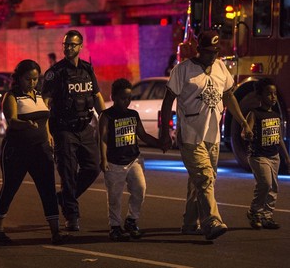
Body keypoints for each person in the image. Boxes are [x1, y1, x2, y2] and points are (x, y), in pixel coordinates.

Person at [160, 30, 253, 240]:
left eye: (215, 51)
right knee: (204, 177)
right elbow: (168, 101)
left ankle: (189, 223)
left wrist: (243, 122)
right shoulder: (182, 70)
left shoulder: (220, 67)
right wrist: (165, 133)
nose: (212, 55)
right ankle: (211, 221)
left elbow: (228, 95)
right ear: (198, 49)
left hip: (212, 136)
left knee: (200, 181)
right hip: (191, 136)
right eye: (208, 52)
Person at [0, 59, 66, 245]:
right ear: (19, 78)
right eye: (28, 79)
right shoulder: (12, 96)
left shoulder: (39, 95)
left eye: (35, 79)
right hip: (17, 150)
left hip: (41, 150)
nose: (32, 82)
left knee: (48, 189)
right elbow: (11, 120)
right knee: (10, 188)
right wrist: (25, 124)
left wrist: (48, 135)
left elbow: (45, 119)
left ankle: (55, 232)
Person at [42, 30, 106, 231]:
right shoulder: (56, 73)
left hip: (85, 128)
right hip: (63, 129)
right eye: (65, 44)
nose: (68, 48)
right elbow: (45, 103)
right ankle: (72, 216)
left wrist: (106, 119)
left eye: (72, 44)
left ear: (80, 46)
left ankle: (64, 198)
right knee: (68, 173)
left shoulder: (87, 69)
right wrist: (47, 132)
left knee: (93, 167)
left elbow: (96, 96)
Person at [99, 78, 164, 241]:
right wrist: (103, 159)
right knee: (114, 197)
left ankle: (131, 220)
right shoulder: (107, 116)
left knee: (140, 189)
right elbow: (103, 138)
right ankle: (115, 226)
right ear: (113, 97)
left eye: (129, 98)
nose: (127, 101)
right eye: (123, 98)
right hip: (114, 162)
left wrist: (159, 143)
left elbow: (142, 135)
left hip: (134, 159)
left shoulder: (133, 114)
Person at [244, 78, 290, 230]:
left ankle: (267, 216)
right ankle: (254, 212)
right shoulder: (254, 114)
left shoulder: (276, 115)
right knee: (265, 183)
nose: (273, 97)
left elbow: (279, 139)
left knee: (274, 188)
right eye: (269, 94)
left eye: (275, 94)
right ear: (259, 96)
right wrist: (247, 134)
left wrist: (287, 157)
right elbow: (245, 131)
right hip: (258, 156)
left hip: (274, 156)